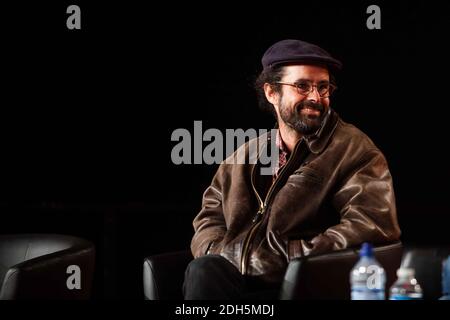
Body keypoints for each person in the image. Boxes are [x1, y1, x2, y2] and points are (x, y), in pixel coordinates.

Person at [183, 39, 401, 299]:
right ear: (271, 93)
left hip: (302, 285)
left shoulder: (356, 151)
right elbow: (209, 217)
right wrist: (222, 256)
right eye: (302, 86)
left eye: (323, 87)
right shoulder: (243, 156)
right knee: (204, 269)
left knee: (205, 273)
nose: (315, 97)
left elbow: (372, 226)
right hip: (233, 281)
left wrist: (289, 259)